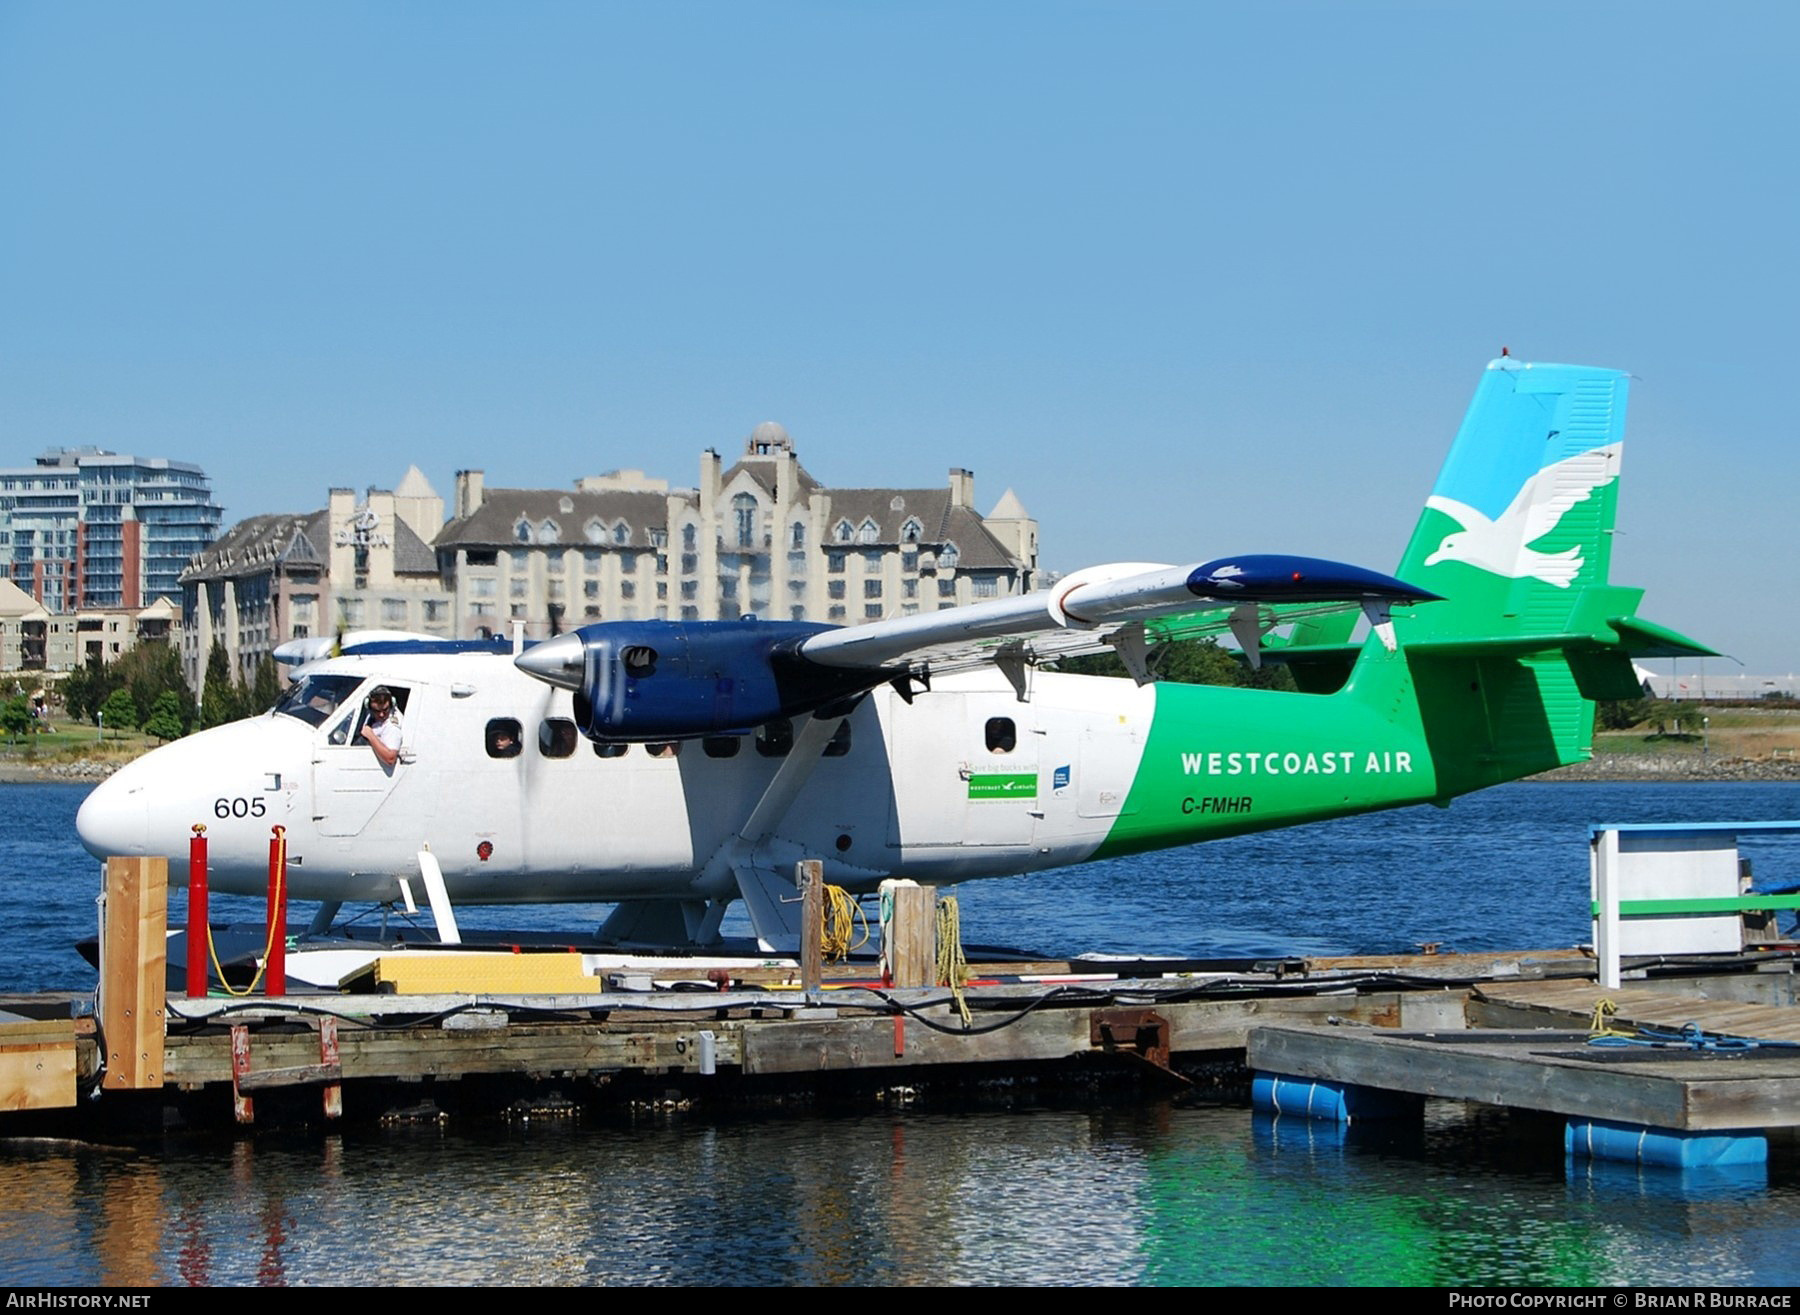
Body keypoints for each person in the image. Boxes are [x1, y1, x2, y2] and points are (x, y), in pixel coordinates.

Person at [359, 686, 404, 768]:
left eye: (385, 710)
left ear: (392, 704)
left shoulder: (392, 726)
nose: (381, 714)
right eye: (377, 711)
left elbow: (390, 758)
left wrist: (370, 735)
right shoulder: (371, 715)